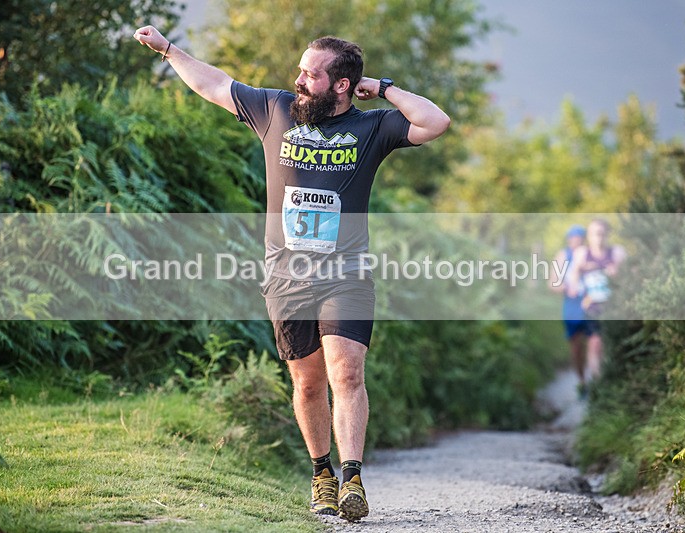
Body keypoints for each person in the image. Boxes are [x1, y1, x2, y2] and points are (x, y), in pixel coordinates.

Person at [133, 27, 450, 522]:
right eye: (300, 70)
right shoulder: (275, 110)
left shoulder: (372, 127)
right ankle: (321, 473)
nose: (299, 80)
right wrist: (168, 50)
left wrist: (383, 88)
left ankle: (352, 478)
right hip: (286, 277)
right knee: (308, 383)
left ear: (341, 85)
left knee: (347, 371)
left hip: (346, 273)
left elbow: (435, 122)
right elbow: (213, 84)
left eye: (311, 74)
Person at [566, 219, 626, 384]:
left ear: (607, 234)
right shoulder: (582, 253)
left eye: (601, 233)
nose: (598, 237)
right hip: (592, 306)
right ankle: (597, 383)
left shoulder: (617, 252)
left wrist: (617, 273)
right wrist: (574, 286)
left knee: (612, 345)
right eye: (593, 234)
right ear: (589, 236)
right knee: (595, 342)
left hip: (615, 307)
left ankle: (614, 382)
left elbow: (629, 275)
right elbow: (574, 274)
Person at [549, 225, 591, 394]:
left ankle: (598, 379)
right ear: (569, 240)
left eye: (579, 238)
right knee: (576, 346)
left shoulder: (591, 254)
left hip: (592, 305)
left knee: (595, 341)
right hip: (572, 306)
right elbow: (553, 284)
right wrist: (566, 288)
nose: (576, 241)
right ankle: (581, 380)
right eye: (573, 238)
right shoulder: (562, 256)